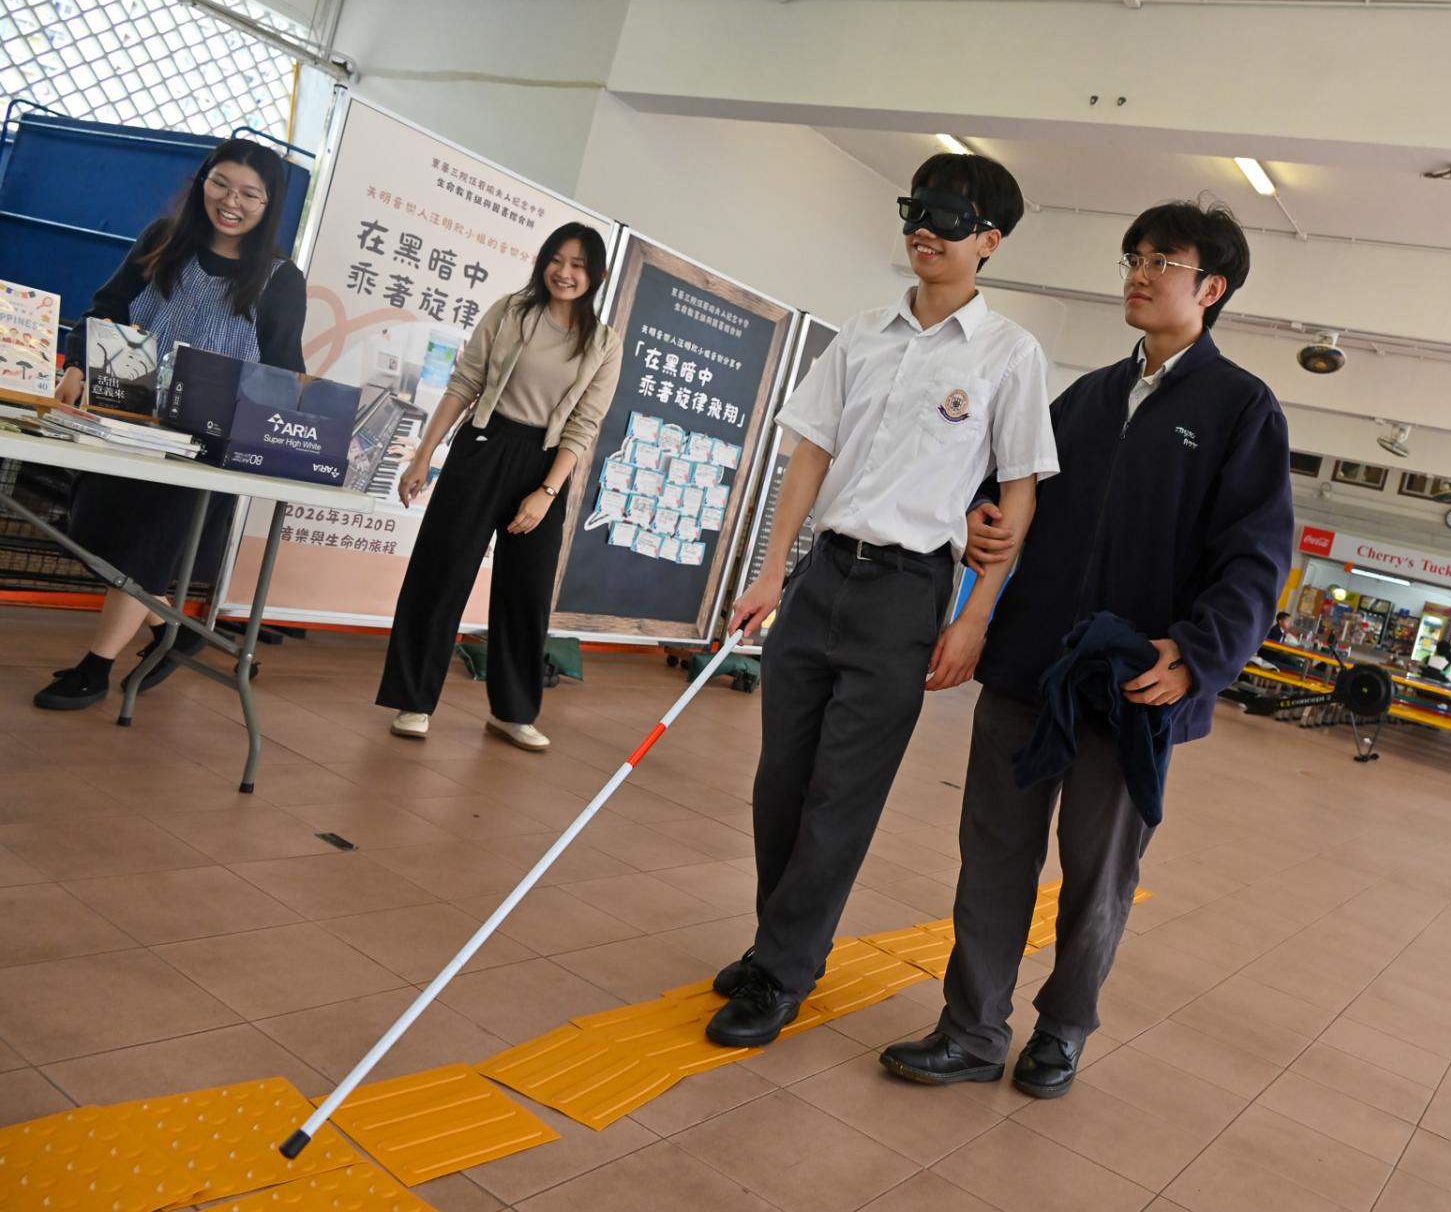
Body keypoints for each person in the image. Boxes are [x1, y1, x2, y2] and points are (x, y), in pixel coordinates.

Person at [881, 199, 1292, 1098]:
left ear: (1211, 288)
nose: (1139, 274)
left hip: (1132, 683)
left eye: (1164, 262)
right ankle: (972, 1027)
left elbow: (1257, 558)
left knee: (1097, 875)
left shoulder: (1240, 409)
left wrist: (1195, 653)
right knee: (994, 854)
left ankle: (1062, 1030)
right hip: (1032, 666)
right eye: (1133, 257)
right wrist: (983, 517)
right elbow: (1013, 487)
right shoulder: (1086, 396)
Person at [703, 153, 1058, 1049]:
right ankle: (778, 942)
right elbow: (810, 455)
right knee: (780, 780)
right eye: (917, 209)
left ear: (991, 240)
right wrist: (770, 569)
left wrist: (975, 614)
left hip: (908, 594)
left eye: (951, 216)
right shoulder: (860, 335)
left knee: (841, 796)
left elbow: (1019, 491)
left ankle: (782, 971)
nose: (925, 227)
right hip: (822, 574)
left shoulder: (1009, 355)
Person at [34, 139, 306, 710]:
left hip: (205, 444)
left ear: (269, 204)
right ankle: (170, 628)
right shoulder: (161, 242)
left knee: (144, 550)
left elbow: (284, 368)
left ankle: (96, 667)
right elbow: (106, 307)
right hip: (127, 422)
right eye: (220, 184)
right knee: (99, 534)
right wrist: (78, 365)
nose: (231, 202)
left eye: (249, 194)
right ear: (202, 181)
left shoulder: (280, 278)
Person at [375, 224, 618, 752]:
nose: (565, 272)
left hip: (546, 465)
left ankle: (512, 712)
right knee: (442, 574)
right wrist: (424, 456)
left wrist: (546, 493)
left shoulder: (603, 342)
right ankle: (414, 700)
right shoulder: (512, 311)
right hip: (484, 445)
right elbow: (464, 382)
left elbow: (584, 424)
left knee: (527, 592)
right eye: (556, 260)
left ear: (597, 275)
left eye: (578, 264)